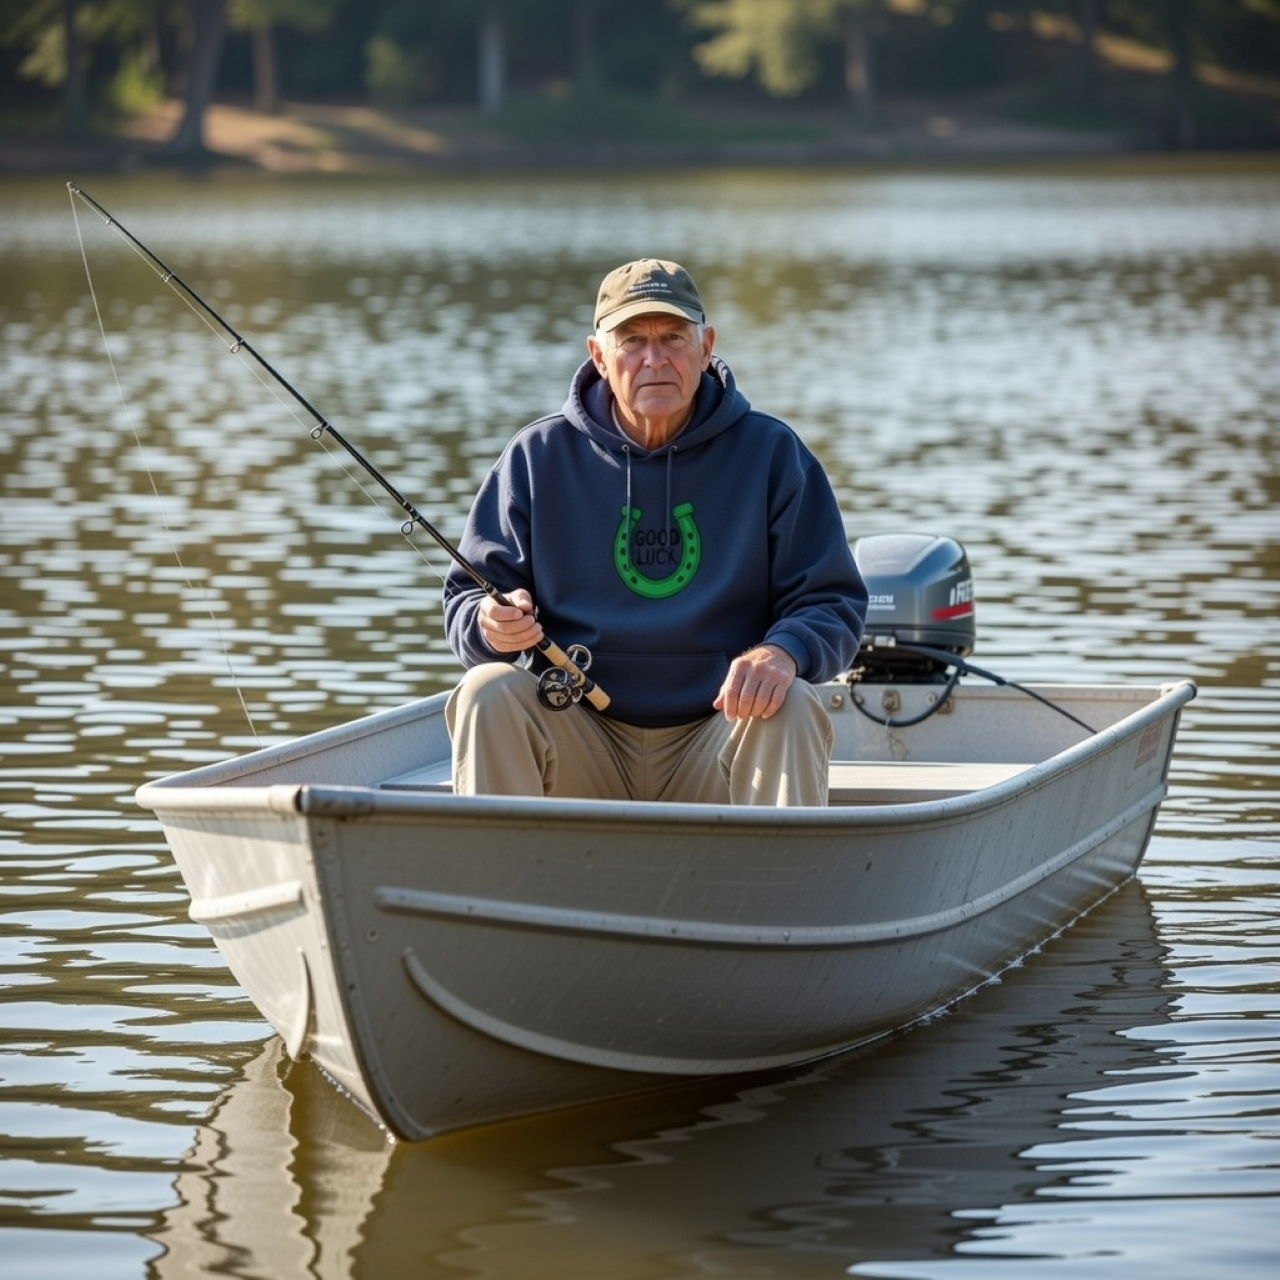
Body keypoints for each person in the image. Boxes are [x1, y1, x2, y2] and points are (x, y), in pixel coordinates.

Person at [443, 258, 867, 805]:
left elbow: (831, 600)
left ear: (706, 346)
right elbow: (465, 598)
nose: (655, 359)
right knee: (487, 691)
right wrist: (489, 625)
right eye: (631, 340)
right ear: (598, 354)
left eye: (673, 337)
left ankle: (777, 888)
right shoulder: (536, 458)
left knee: (792, 703)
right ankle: (501, 888)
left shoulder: (772, 454)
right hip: (579, 736)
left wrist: (783, 653)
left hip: (719, 735)